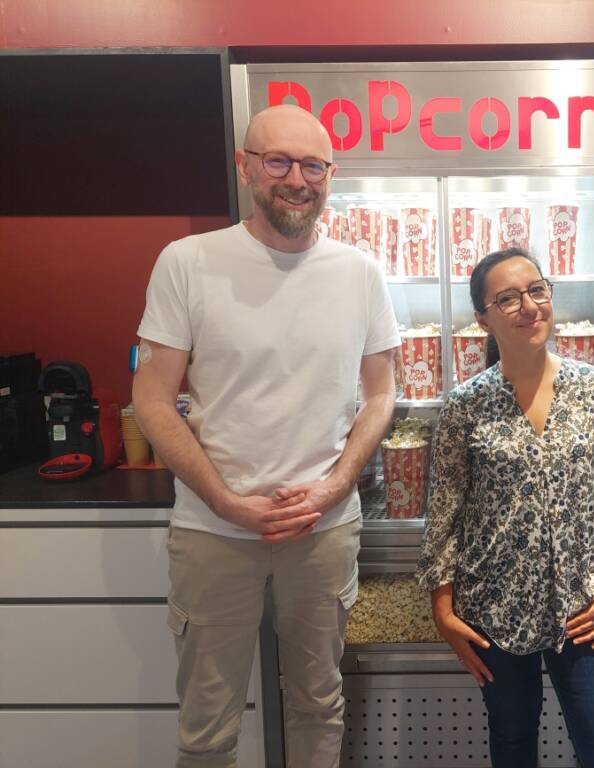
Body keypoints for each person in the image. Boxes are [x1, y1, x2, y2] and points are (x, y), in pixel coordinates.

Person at [132, 104, 400, 768]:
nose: (296, 180)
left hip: (322, 529)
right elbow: (152, 399)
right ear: (245, 166)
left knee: (318, 704)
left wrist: (334, 487)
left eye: (313, 165)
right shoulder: (188, 262)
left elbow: (381, 394)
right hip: (213, 531)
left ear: (331, 175)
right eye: (277, 161)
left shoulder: (359, 272)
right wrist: (227, 502)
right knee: (207, 725)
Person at [416, 248, 594, 768]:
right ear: (483, 318)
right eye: (508, 298)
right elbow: (445, 515)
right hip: (493, 608)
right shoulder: (465, 406)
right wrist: (443, 611)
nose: (529, 306)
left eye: (537, 290)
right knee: (513, 743)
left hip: (587, 606)